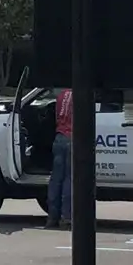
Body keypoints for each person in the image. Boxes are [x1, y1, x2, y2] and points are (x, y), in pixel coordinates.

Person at [49, 86, 74, 228]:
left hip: (59, 138)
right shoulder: (81, 94)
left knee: (56, 179)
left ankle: (52, 217)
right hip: (72, 138)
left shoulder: (61, 95)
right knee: (69, 179)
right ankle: (67, 217)